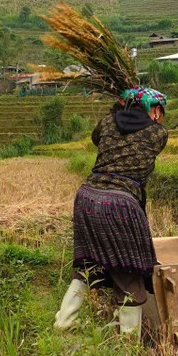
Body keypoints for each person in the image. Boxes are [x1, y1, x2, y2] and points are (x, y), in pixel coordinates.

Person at [53, 86, 169, 337]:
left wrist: (119, 108)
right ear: (155, 111)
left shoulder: (107, 123)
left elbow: (99, 137)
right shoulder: (157, 132)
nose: (161, 116)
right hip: (120, 205)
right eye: (161, 111)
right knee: (130, 273)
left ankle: (63, 322)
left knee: (88, 265)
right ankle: (128, 345)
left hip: (88, 197)